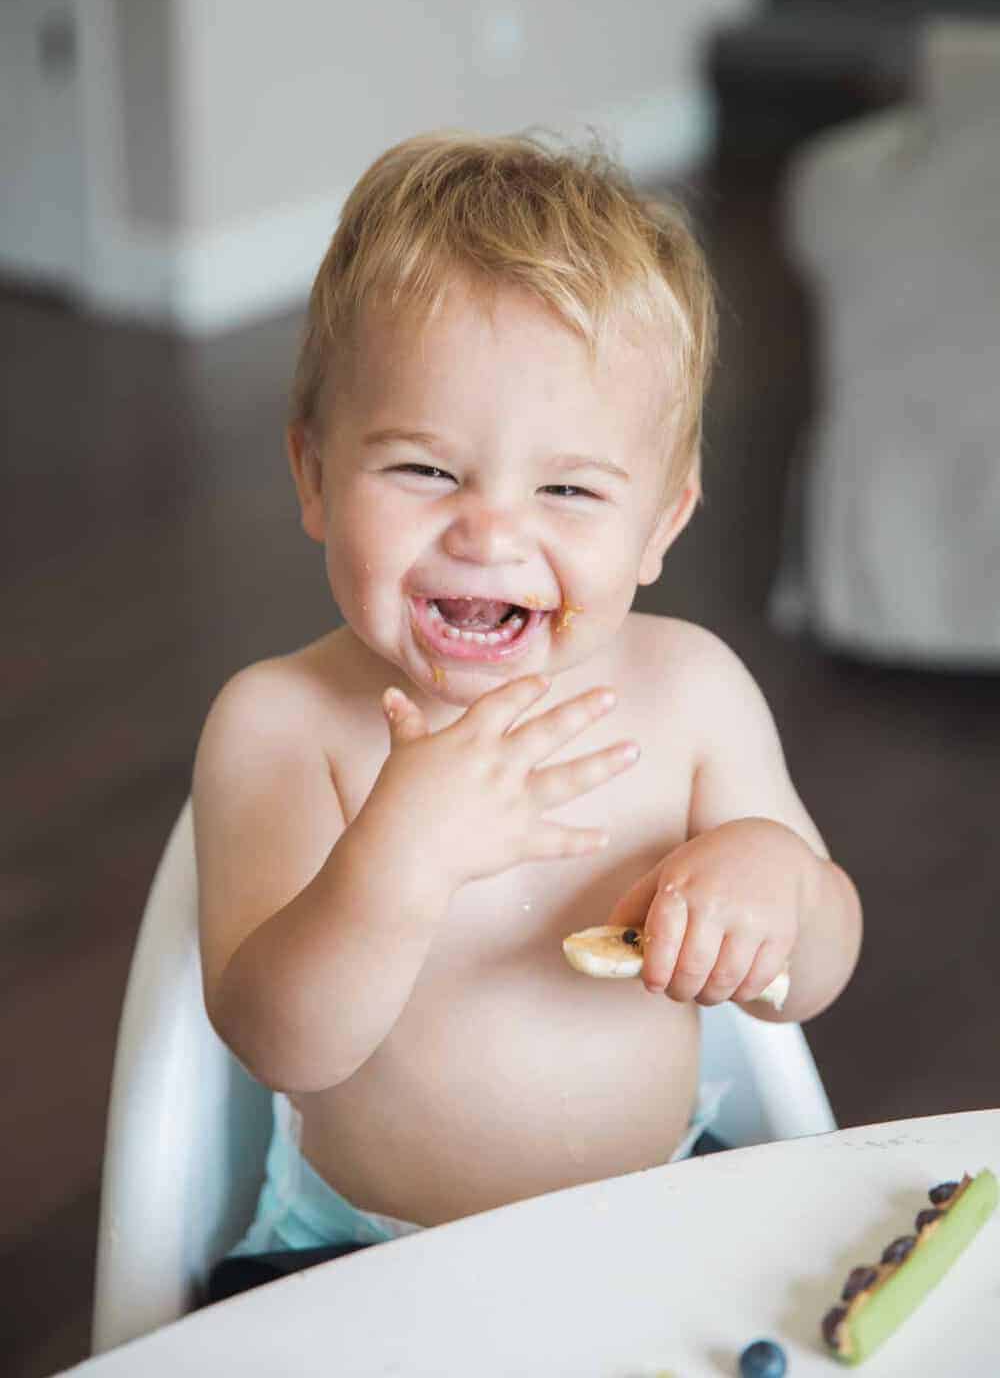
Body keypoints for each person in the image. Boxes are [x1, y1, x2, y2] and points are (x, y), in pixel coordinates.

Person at [192, 131, 862, 1299]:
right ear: (311, 475)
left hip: (659, 1207)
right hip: (362, 1257)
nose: (489, 533)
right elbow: (279, 1043)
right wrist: (400, 856)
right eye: (425, 470)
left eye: (567, 489)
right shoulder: (280, 724)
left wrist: (777, 886)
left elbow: (812, 969)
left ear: (660, 522)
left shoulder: (693, 693)